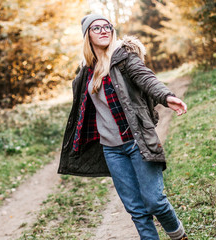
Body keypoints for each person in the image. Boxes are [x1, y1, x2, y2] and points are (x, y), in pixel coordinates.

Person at [58, 13, 188, 240]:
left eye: (106, 26)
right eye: (96, 28)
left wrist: (166, 97)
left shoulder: (124, 58)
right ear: (87, 35)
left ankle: (178, 236)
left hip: (138, 142)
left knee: (155, 201)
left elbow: (147, 79)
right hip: (111, 150)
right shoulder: (86, 72)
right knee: (137, 210)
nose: (103, 30)